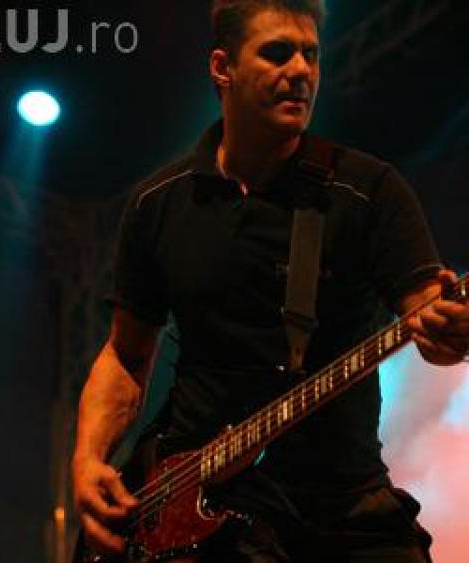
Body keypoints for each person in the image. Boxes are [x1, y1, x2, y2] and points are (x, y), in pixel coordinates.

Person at [71, 1, 469, 561]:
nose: (301, 71)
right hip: (193, 498)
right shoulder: (158, 203)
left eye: (310, 55)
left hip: (342, 503)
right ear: (222, 68)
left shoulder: (367, 190)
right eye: (278, 53)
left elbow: (428, 312)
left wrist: (452, 330)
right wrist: (87, 459)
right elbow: (125, 356)